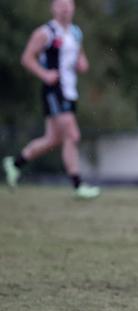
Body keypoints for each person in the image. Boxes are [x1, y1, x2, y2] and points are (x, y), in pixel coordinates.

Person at [3, 0, 100, 199]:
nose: (65, 9)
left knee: (52, 139)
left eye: (68, 5)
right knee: (72, 136)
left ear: (73, 7)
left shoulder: (75, 32)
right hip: (54, 91)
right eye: (61, 5)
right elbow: (27, 58)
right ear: (53, 8)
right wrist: (45, 74)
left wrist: (82, 64)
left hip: (70, 92)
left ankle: (15, 163)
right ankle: (78, 186)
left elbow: (81, 60)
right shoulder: (45, 33)